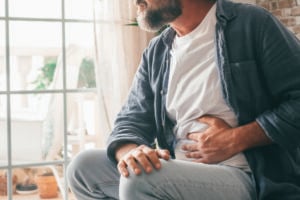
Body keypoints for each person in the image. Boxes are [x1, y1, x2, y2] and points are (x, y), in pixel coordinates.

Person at [67, 0, 300, 199]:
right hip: (179, 170)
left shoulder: (252, 24)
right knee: (83, 167)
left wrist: (236, 139)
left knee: (142, 181)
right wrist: (131, 153)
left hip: (247, 176)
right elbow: (131, 118)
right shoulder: (157, 51)